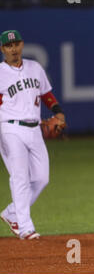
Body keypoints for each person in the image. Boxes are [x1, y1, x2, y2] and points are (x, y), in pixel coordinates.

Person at [0, 30, 66, 240]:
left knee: (41, 178)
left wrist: (57, 112)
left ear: (22, 45)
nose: (14, 49)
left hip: (35, 128)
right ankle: (26, 228)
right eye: (9, 46)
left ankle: (12, 212)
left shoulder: (34, 67)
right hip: (9, 128)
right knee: (19, 176)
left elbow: (46, 94)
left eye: (16, 44)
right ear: (3, 49)